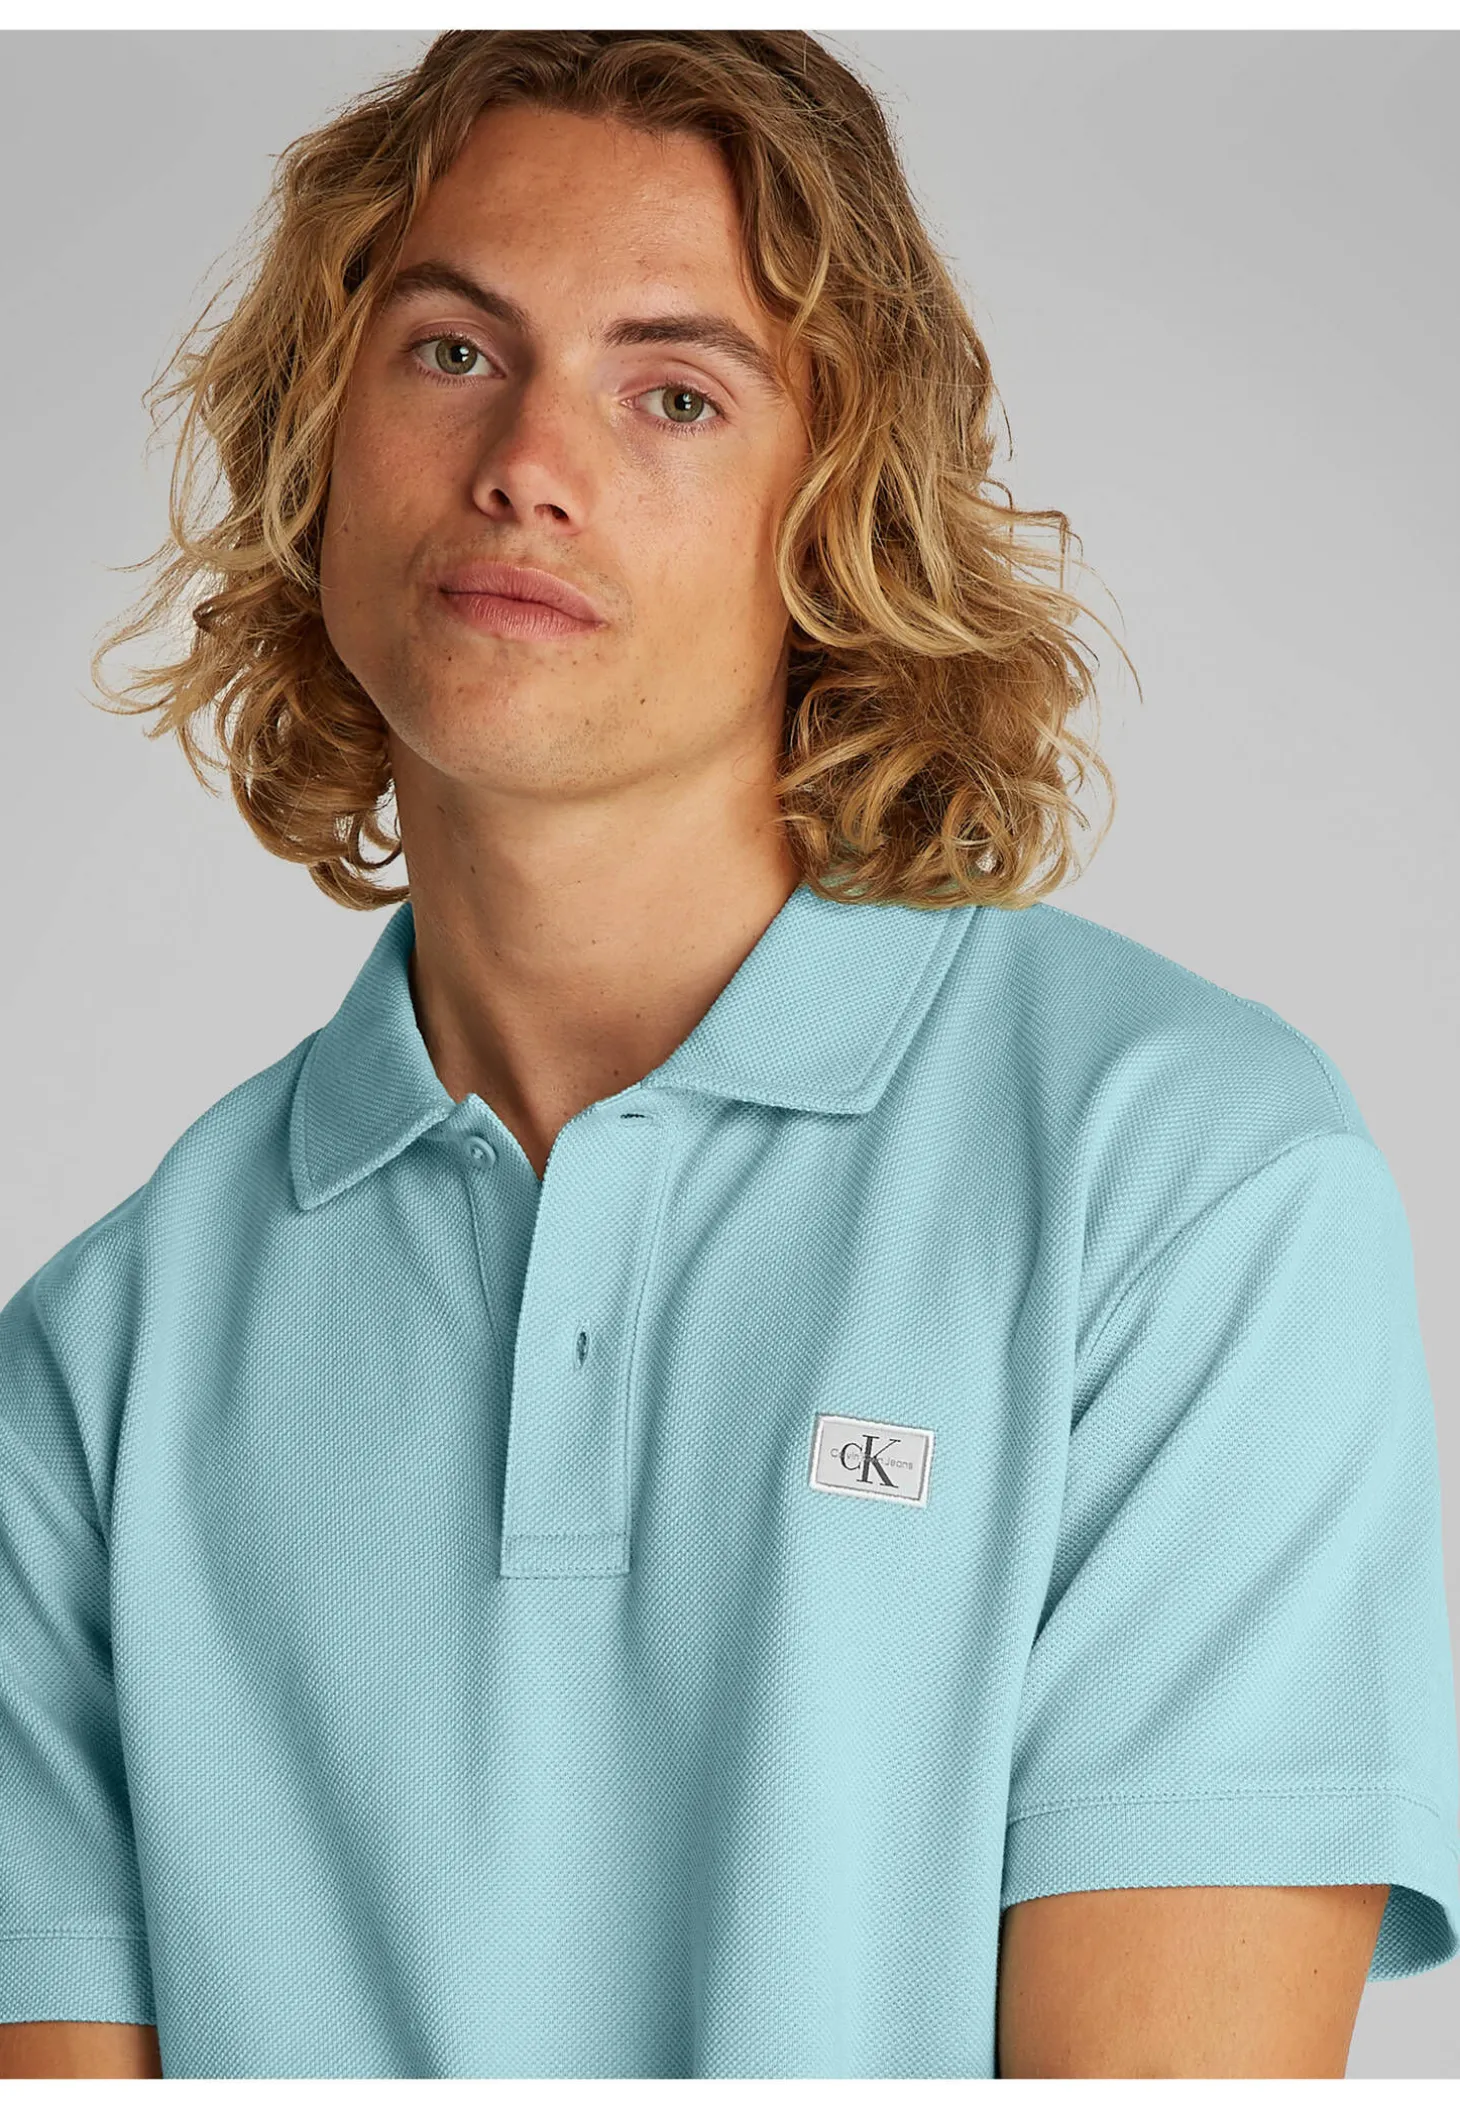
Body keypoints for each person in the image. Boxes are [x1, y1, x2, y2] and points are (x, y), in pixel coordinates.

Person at [1, 28, 1455, 2082]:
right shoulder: (93, 1373)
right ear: (317, 440)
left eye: (673, 391)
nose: (527, 460)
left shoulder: (1186, 1185)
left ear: (834, 517)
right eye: (448, 351)